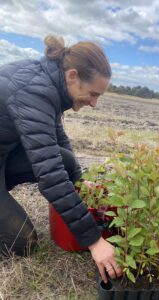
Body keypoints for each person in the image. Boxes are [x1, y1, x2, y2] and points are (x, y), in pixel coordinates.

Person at [0, 35, 122, 283]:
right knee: (22, 243)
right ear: (72, 76)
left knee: (65, 160)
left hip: (4, 154)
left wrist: (79, 179)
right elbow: (50, 174)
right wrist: (94, 241)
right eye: (93, 94)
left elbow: (57, 138)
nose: (94, 103)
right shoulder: (32, 90)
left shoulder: (49, 82)